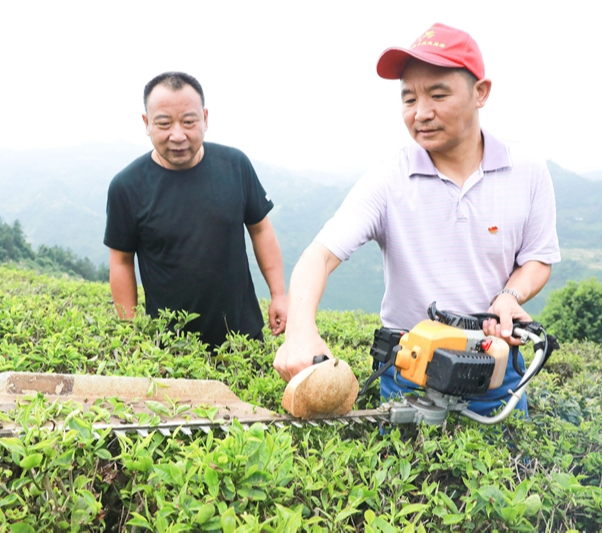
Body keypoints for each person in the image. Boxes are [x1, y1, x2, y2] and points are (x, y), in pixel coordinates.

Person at [273, 23, 560, 416]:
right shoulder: (389, 179)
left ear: (481, 93)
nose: (421, 113)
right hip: (410, 369)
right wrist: (300, 331)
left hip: (496, 368)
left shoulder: (527, 170)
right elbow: (318, 257)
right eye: (409, 99)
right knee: (407, 476)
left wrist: (509, 296)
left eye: (438, 94)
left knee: (508, 474)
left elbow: (537, 258)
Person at [104, 71, 287, 348]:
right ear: (147, 123)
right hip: (169, 347)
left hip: (242, 337)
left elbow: (260, 230)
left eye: (189, 121)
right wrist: (130, 330)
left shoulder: (235, 166)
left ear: (205, 118)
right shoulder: (127, 187)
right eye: (164, 123)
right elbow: (121, 261)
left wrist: (279, 294)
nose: (177, 135)